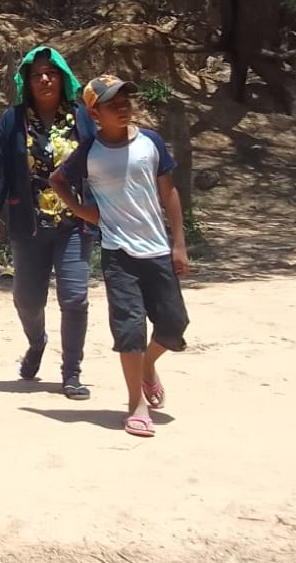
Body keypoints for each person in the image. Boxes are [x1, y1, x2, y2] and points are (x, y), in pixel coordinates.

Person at [50, 75, 191, 439]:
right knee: (129, 330)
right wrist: (84, 212)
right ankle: (135, 406)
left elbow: (170, 194)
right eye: (113, 103)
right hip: (118, 252)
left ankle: (147, 367)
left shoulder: (150, 143)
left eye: (127, 98)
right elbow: (57, 180)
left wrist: (179, 243)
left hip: (157, 249)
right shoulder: (90, 153)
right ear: (95, 114)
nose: (124, 106)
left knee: (174, 326)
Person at [0, 45, 98, 399]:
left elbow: (102, 160)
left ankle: (71, 372)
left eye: (51, 73)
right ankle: (37, 342)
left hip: (75, 221)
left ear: (63, 78)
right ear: (27, 82)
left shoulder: (83, 117)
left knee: (74, 298)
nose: (45, 79)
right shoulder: (12, 121)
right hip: (28, 222)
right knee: (27, 300)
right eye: (37, 74)